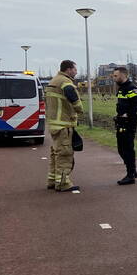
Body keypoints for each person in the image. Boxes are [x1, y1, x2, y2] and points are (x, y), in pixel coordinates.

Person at [45, 60, 85, 192]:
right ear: (68, 69)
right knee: (64, 154)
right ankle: (63, 183)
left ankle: (52, 180)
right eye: (75, 69)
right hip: (63, 124)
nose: (76, 72)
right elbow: (71, 94)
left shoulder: (53, 81)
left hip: (54, 124)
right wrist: (79, 108)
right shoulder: (65, 82)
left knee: (55, 153)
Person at [112, 67, 137, 185]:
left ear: (123, 76)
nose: (114, 78)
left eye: (116, 76)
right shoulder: (121, 89)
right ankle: (132, 169)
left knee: (128, 148)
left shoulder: (132, 88)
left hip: (129, 122)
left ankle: (130, 175)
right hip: (121, 121)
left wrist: (127, 114)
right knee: (121, 149)